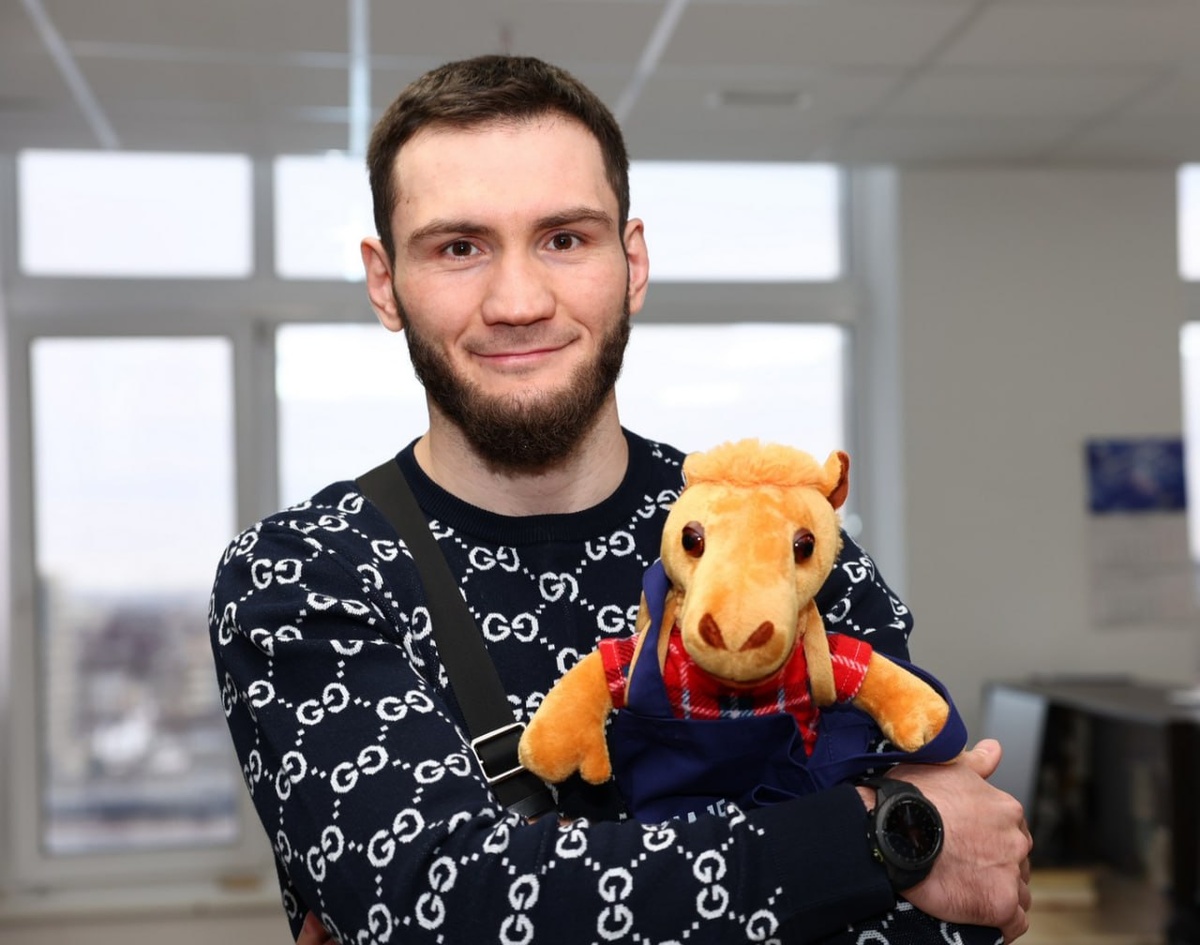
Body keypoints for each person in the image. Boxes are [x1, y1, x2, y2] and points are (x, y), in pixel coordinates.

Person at [209, 54, 1032, 945]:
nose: (518, 301)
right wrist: (881, 837)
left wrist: (542, 879)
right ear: (385, 283)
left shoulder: (774, 533)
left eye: (565, 239)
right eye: (459, 248)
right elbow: (437, 906)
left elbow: (957, 905)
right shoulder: (306, 574)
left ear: (631, 262)